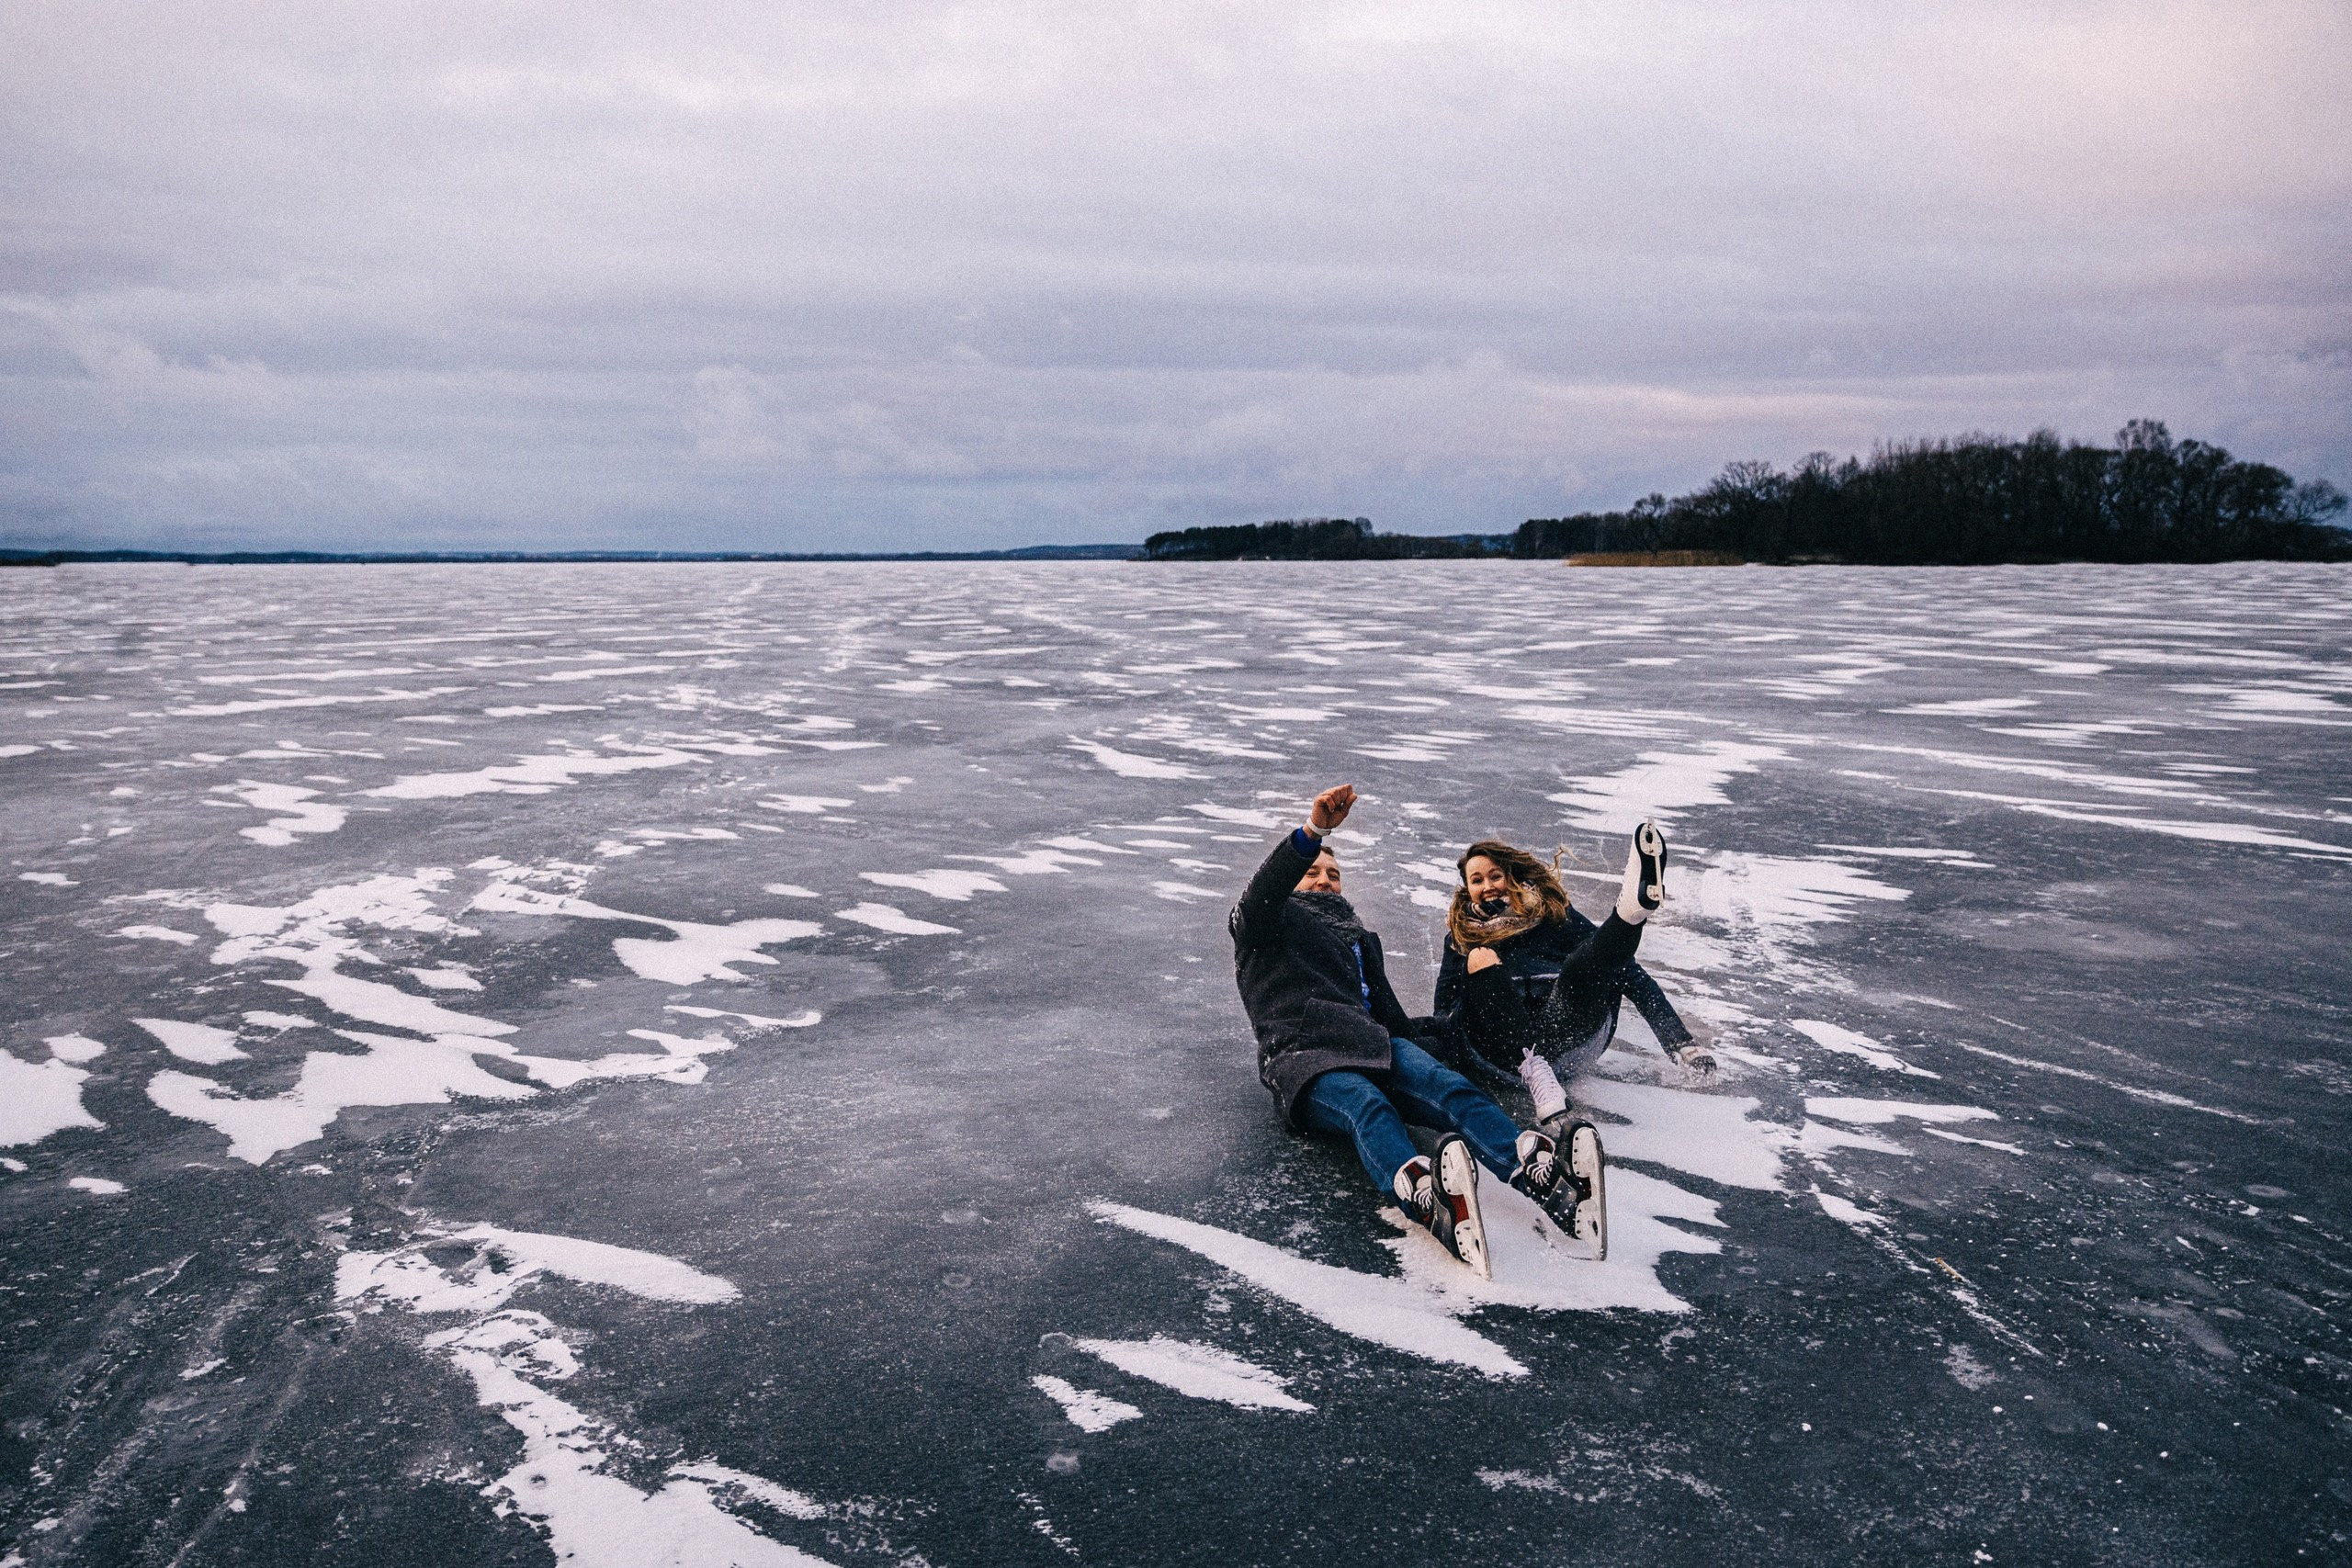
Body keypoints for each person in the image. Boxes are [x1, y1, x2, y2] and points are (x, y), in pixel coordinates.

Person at [1227, 784, 1607, 1275]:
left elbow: (1394, 1021)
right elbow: (1264, 891)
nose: (1324, 881)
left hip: (1377, 1044)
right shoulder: (1262, 925)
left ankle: (1541, 1179)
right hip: (1306, 1058)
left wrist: (1465, 1031)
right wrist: (1313, 831)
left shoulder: (1358, 939)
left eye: (1334, 875)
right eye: (1312, 873)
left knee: (1450, 1088)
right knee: (1369, 1106)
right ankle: (1427, 1198)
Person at [1430, 829, 1710, 1132]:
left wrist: (1679, 1041)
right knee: (1481, 964)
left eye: (1495, 876)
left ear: (1511, 876)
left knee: (1581, 967)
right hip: (1499, 1049)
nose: (1488, 886)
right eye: (1477, 880)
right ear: (1466, 889)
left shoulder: (1552, 915)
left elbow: (1625, 970)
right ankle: (1531, 1064)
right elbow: (1443, 1008)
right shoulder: (1460, 937)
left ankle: (1629, 916)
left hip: (1563, 1031)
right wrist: (1444, 1071)